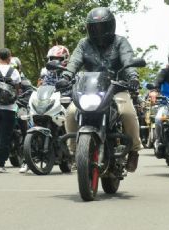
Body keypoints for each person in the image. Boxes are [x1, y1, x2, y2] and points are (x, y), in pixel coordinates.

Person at [60, 7, 141, 172]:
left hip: (116, 88)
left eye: (102, 27)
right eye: (94, 27)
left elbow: (128, 60)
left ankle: (134, 150)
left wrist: (133, 77)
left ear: (111, 26)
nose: (98, 31)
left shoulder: (120, 42)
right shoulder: (84, 43)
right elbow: (74, 61)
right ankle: (75, 151)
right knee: (70, 113)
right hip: (90, 90)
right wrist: (66, 77)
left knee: (127, 113)